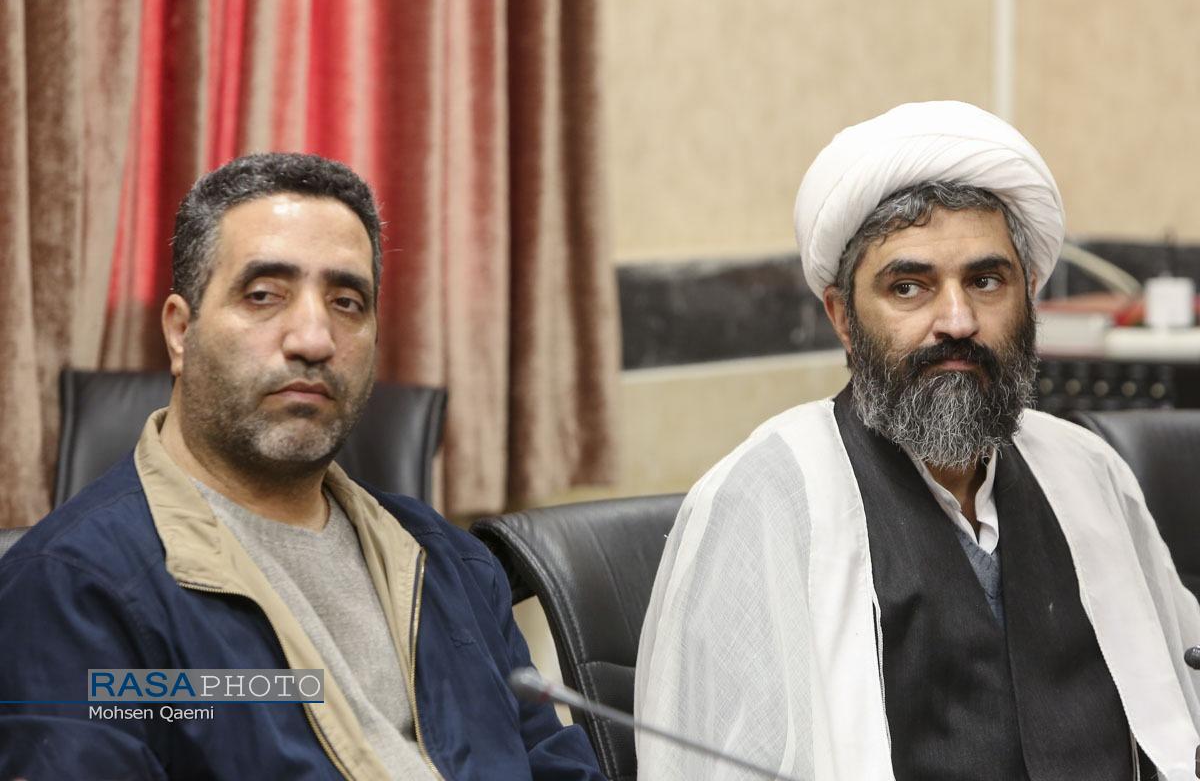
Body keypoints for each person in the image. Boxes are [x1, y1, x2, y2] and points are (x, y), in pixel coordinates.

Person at [634, 101, 1200, 780]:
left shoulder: (1087, 472)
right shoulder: (765, 500)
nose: (957, 321)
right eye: (909, 287)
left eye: (985, 281)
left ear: (1029, 296)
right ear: (843, 318)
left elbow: (1180, 714)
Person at [0, 153, 603, 780]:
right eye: (264, 296)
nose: (314, 339)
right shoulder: (69, 593)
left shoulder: (450, 563)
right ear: (180, 332)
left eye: (347, 302)